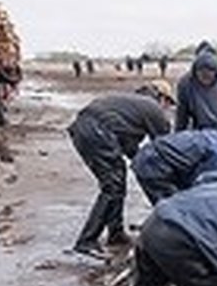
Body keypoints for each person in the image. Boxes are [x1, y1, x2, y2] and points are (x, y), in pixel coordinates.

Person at [68, 87, 173, 256]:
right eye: (168, 103)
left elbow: (130, 148)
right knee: (112, 186)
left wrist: (142, 167)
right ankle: (86, 241)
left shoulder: (129, 107)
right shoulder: (152, 108)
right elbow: (165, 148)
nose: (167, 108)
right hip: (96, 130)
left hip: (84, 129)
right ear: (161, 98)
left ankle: (115, 233)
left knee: (117, 179)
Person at [131, 118, 217, 205]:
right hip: (152, 165)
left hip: (152, 158)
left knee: (176, 205)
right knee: (177, 211)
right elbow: (201, 189)